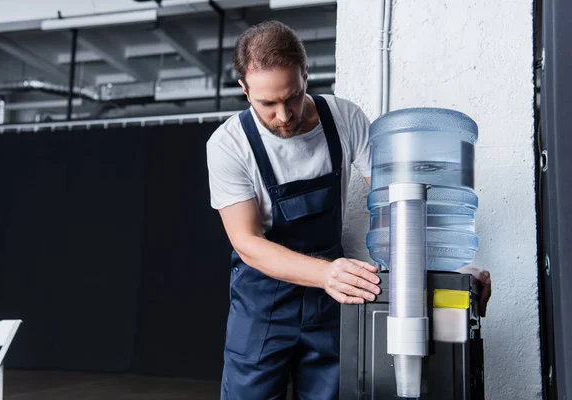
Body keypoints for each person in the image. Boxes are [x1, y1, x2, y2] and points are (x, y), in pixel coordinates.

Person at [206, 20, 491, 400]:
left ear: (306, 74)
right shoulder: (228, 145)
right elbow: (247, 243)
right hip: (264, 306)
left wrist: (454, 273)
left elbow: (398, 206)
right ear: (244, 89)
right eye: (267, 104)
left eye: (291, 96)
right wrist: (326, 273)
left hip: (332, 302)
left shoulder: (344, 118)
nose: (284, 115)